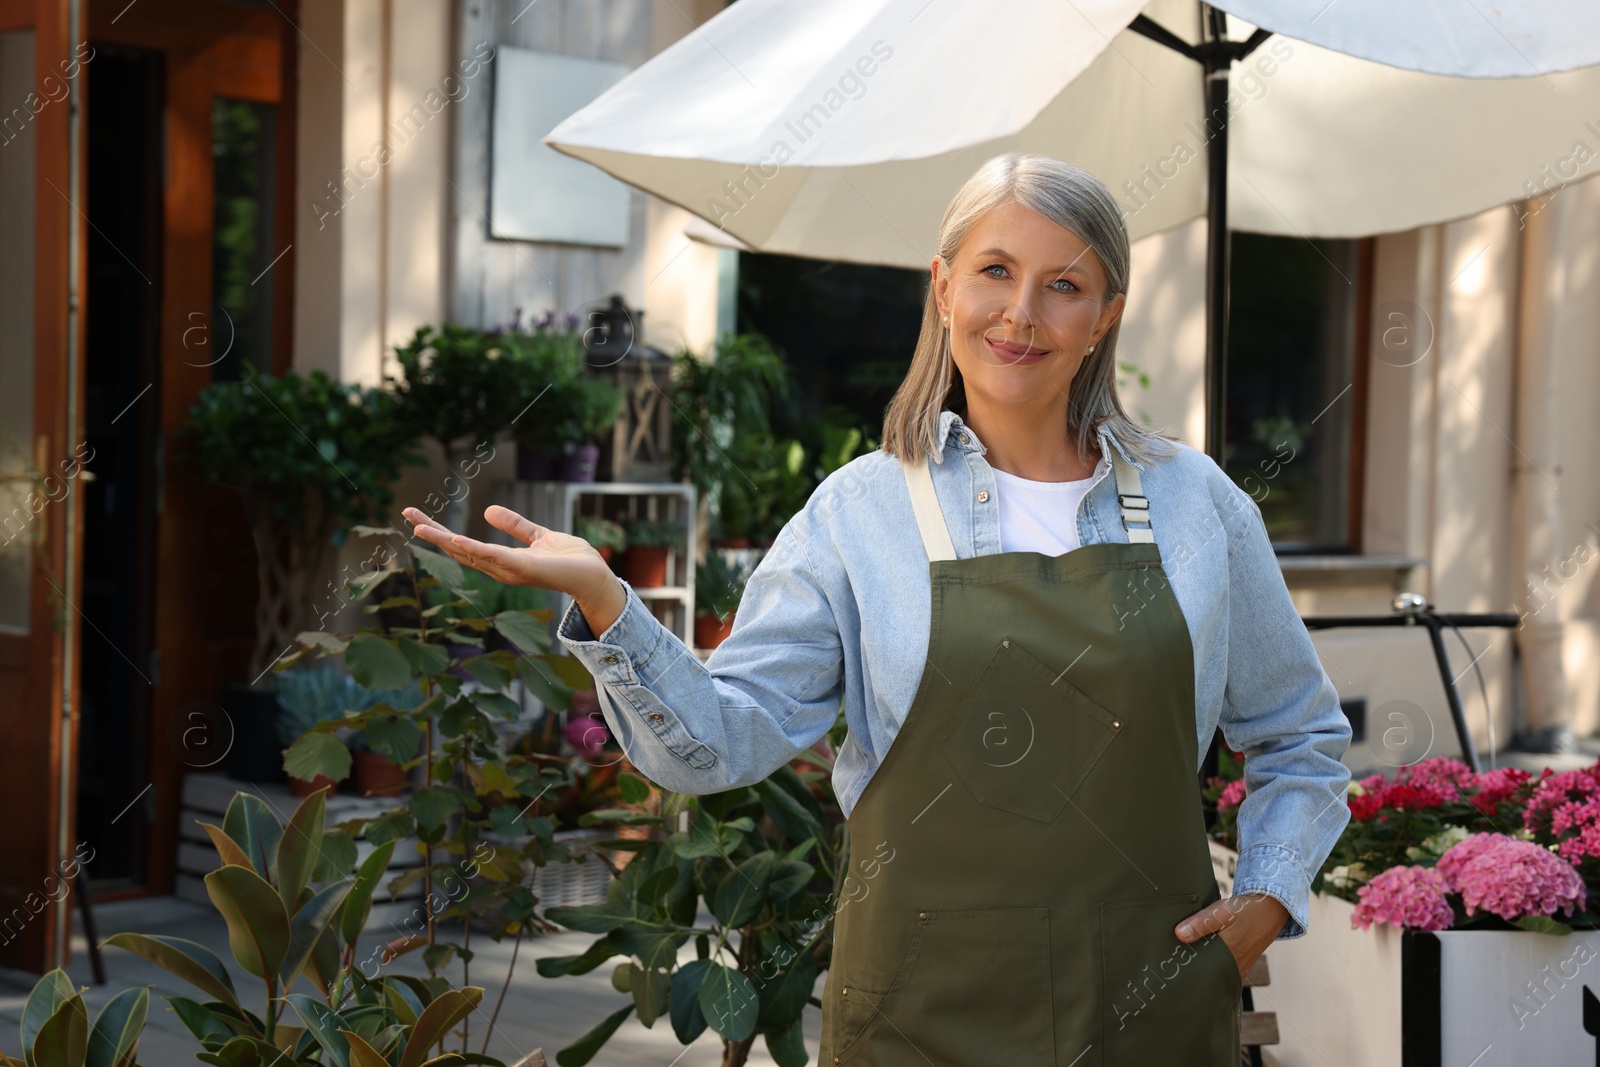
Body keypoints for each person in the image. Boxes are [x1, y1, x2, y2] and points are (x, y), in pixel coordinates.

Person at [404, 152, 1352, 1065]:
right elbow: (720, 742)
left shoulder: (1197, 504)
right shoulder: (859, 513)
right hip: (914, 1022)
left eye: (1064, 285)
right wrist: (607, 599)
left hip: (1150, 1017)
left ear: (1106, 315)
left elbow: (1301, 735)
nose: (1021, 314)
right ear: (943, 289)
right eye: (994, 271)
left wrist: (1264, 902)